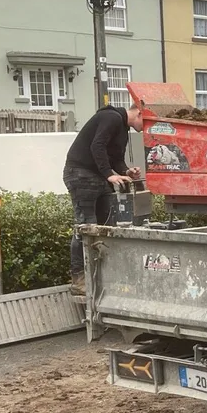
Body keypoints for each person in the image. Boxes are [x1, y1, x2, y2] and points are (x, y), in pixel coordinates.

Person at [63, 102, 144, 295]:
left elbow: (114, 156)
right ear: (140, 113)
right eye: (146, 123)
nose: (145, 130)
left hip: (97, 177)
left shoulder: (122, 127)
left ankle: (100, 277)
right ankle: (79, 280)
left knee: (107, 226)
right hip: (81, 174)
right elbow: (97, 145)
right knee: (85, 227)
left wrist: (125, 171)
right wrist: (109, 174)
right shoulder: (111, 118)